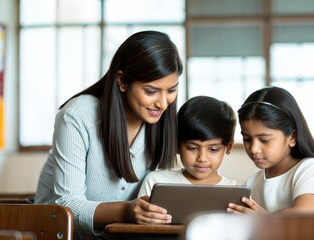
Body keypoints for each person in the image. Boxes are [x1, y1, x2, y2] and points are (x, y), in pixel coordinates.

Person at [34, 30, 183, 235]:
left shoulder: (161, 121)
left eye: (171, 90)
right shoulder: (77, 117)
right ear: (122, 81)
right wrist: (127, 210)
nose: (163, 102)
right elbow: (66, 206)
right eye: (151, 91)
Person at [227, 86, 314, 215]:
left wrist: (264, 221)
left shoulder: (312, 169)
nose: (253, 149)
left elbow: (304, 218)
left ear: (292, 137)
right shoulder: (251, 183)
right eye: (247, 139)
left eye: (264, 140)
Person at [138, 96, 237, 198]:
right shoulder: (156, 182)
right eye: (192, 148)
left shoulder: (235, 192)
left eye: (213, 149)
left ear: (228, 147)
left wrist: (254, 214)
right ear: (176, 145)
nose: (202, 158)